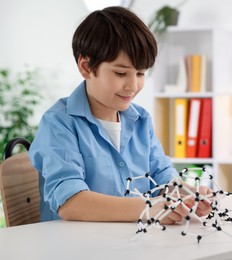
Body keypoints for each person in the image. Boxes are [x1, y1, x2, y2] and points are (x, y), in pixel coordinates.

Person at [29, 6, 211, 224]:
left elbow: (163, 177)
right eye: (121, 73)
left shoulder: (141, 120)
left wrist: (189, 196)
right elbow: (70, 203)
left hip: (132, 242)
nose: (133, 86)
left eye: (141, 73)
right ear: (86, 67)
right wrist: (150, 208)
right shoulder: (59, 123)